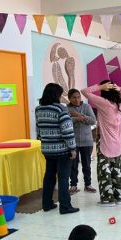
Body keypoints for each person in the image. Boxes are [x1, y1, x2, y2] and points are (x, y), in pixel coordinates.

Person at [35, 83, 79, 214]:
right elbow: (67, 131)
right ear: (56, 95)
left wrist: (43, 142)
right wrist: (72, 148)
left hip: (47, 150)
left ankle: (47, 204)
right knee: (63, 178)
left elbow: (38, 129)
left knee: (49, 176)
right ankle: (65, 206)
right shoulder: (60, 109)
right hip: (62, 150)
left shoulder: (39, 109)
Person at [81, 80, 121, 206]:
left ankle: (107, 199)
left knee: (104, 172)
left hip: (105, 143)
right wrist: (116, 87)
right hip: (117, 144)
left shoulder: (104, 103)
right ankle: (118, 197)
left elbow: (84, 91)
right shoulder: (119, 103)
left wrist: (99, 86)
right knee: (116, 171)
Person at [67, 89, 97, 194]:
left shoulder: (86, 107)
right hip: (73, 142)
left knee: (86, 165)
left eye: (78, 97)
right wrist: (76, 118)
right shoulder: (67, 109)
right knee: (73, 165)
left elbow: (93, 120)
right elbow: (66, 122)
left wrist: (82, 117)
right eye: (74, 97)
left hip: (87, 141)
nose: (77, 99)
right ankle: (73, 185)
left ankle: (88, 185)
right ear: (69, 98)